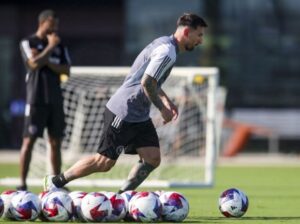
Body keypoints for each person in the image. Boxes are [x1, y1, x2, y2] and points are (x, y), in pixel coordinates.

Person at [44, 13, 207, 193]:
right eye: (199, 35)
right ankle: (56, 182)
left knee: (152, 158)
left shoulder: (164, 44)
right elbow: (147, 82)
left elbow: (150, 79)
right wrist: (162, 109)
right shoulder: (167, 51)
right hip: (125, 110)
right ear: (186, 32)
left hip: (140, 115)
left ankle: (123, 198)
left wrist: (166, 100)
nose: (201, 40)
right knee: (103, 162)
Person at [18, 9, 71, 191]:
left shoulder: (60, 44)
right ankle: (22, 184)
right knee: (29, 141)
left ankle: (56, 184)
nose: (55, 29)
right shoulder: (27, 42)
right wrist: (49, 48)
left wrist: (45, 59)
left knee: (55, 142)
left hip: (55, 100)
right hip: (36, 99)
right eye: (53, 24)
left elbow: (66, 70)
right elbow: (32, 64)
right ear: (44, 22)